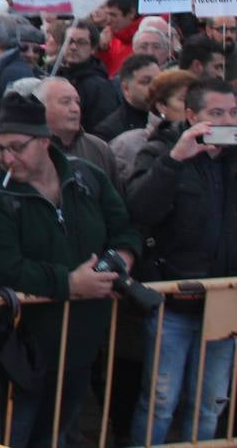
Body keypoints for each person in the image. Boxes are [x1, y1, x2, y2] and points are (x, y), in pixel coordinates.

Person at [0, 93, 142, 448]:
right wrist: (70, 283)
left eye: (16, 147)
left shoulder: (86, 178)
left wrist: (119, 261)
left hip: (80, 343)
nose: (7, 158)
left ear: (44, 141)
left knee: (56, 434)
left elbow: (125, 228)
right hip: (17, 351)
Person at [126, 78, 237, 444]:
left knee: (211, 404)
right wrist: (175, 160)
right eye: (216, 113)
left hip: (224, 303)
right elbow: (140, 209)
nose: (227, 121)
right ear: (191, 116)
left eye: (234, 113)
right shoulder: (161, 150)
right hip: (172, 300)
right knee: (160, 401)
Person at [36, 77, 121, 194]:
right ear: (41, 107)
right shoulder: (31, 150)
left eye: (77, 102)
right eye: (65, 102)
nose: (75, 109)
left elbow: (117, 203)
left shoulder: (99, 148)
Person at [109, 69, 198, 180]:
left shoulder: (204, 141)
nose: (192, 106)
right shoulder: (127, 144)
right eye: (184, 99)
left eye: (196, 100)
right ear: (162, 106)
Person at [55, 21, 121, 133]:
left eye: (81, 43)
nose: (73, 47)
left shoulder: (100, 87)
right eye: (69, 42)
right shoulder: (55, 77)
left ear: (93, 49)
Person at [92, 54, 159, 143]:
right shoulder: (108, 131)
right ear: (126, 89)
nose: (155, 87)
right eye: (146, 82)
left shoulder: (172, 118)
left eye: (159, 80)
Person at [98, 0, 142, 77]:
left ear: (131, 13)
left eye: (113, 15)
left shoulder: (147, 38)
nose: (108, 20)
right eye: (108, 15)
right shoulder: (110, 37)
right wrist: (102, 50)